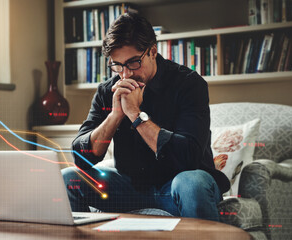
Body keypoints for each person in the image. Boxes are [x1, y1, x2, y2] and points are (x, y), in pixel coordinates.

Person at [62, 12, 230, 221]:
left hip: (180, 187)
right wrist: (115, 115)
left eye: (133, 62)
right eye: (117, 65)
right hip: (129, 189)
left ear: (152, 51)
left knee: (190, 183)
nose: (125, 74)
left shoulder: (189, 84)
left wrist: (135, 114)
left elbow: (188, 157)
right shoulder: (109, 91)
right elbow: (81, 157)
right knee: (69, 179)